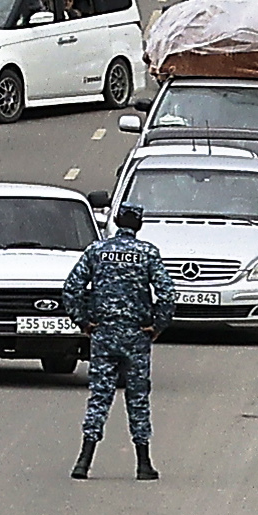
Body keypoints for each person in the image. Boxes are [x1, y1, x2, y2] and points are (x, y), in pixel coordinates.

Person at [60, 201, 174, 481]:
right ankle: (143, 464)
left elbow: (71, 288)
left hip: (104, 334)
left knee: (100, 396)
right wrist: (157, 325)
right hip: (136, 336)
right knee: (137, 399)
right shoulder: (147, 253)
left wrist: (84, 321)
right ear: (139, 224)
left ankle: (83, 462)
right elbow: (168, 294)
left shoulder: (96, 251)